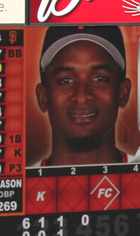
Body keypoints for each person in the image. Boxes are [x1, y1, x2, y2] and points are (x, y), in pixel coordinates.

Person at [34, 25, 131, 166]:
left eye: (99, 79)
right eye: (66, 80)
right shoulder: (20, 183)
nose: (82, 97)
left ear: (123, 93)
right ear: (43, 97)